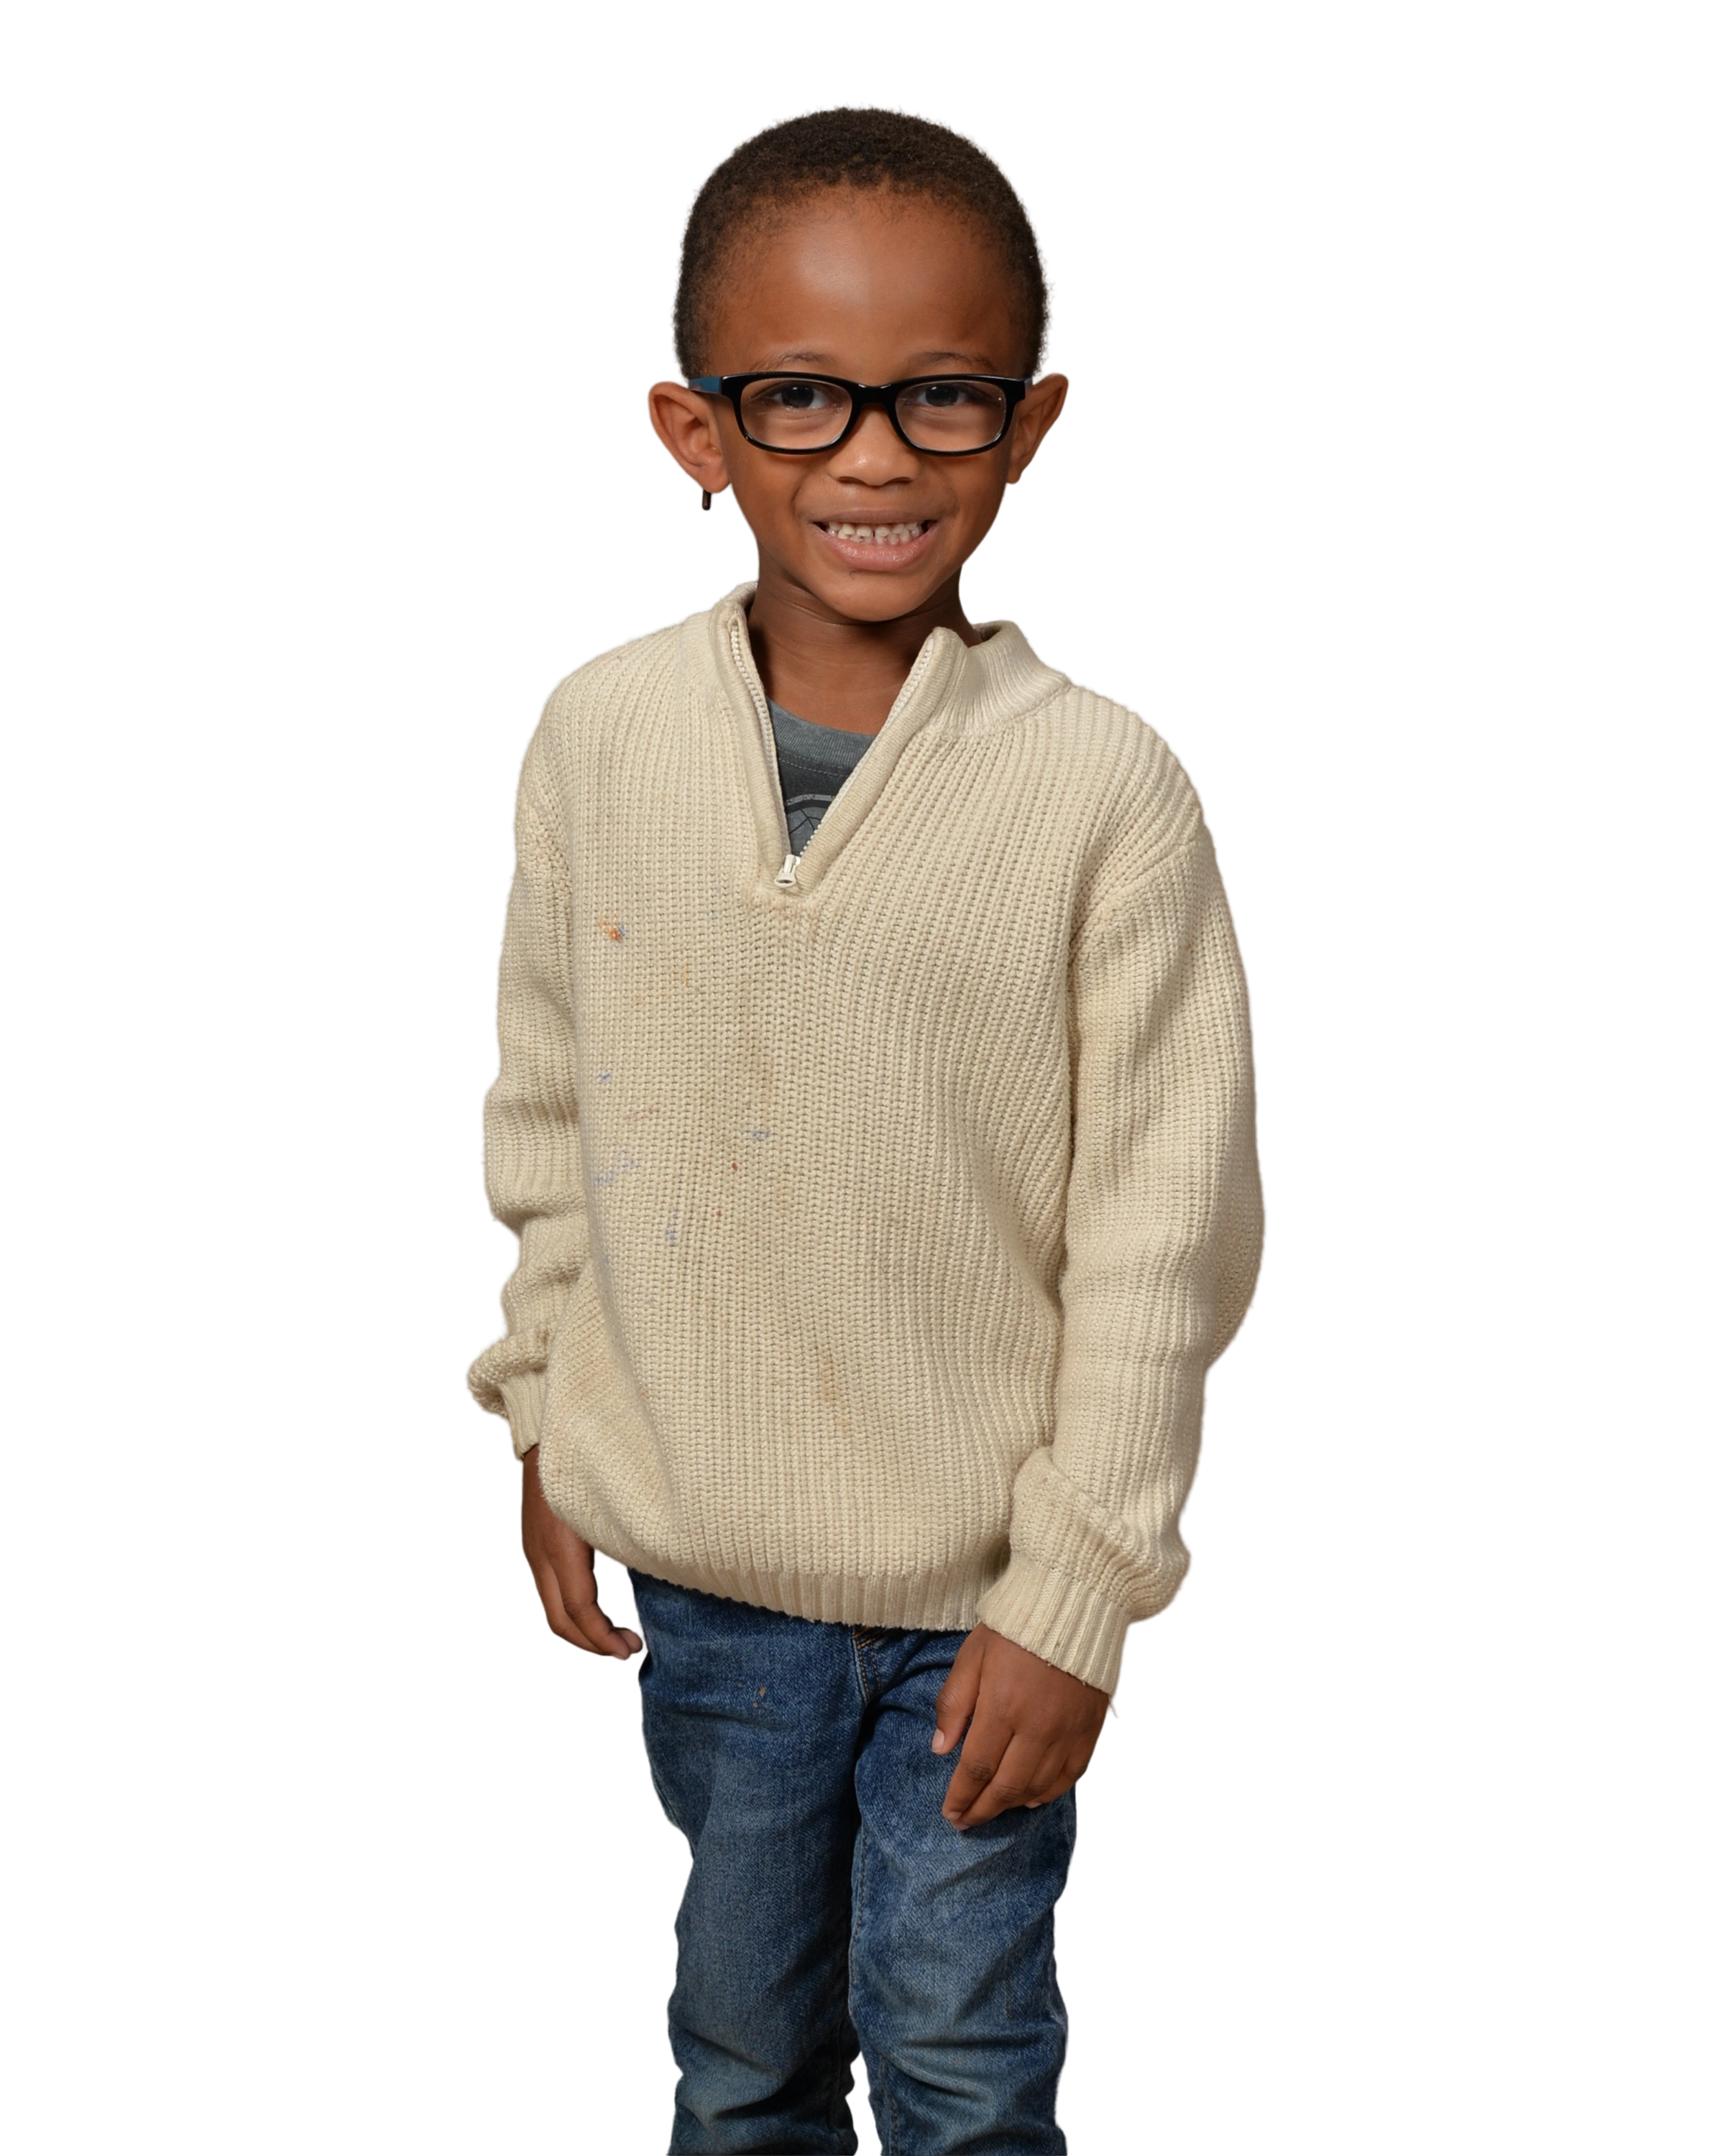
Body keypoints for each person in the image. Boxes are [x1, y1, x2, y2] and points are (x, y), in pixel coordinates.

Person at [465, 101, 1267, 2156]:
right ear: (695, 430)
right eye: (802, 395)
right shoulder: (600, 736)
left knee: (962, 2067)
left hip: (981, 1603)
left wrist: (1075, 1593)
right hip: (707, 1581)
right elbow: (549, 1114)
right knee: (738, 2063)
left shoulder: (1104, 793)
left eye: (945, 393)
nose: (877, 455)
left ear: (1037, 420)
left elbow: (1163, 1241)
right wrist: (544, 1412)